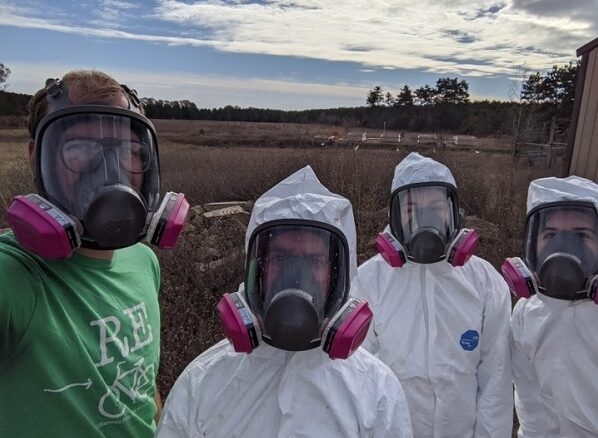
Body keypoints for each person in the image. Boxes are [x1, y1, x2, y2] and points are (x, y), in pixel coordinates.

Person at [156, 166, 413, 438]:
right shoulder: (204, 381)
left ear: (338, 272)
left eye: (314, 261)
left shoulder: (374, 391)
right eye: (280, 257)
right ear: (258, 268)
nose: (296, 275)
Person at [0, 71, 188, 437]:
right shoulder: (13, 277)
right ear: (37, 156)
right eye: (80, 148)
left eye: (127, 150)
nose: (110, 169)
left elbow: (140, 387)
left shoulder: (142, 260)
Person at [353, 152, 513, 437]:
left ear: (453, 213)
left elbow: (495, 379)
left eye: (436, 206)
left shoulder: (485, 282)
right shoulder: (369, 280)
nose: (424, 218)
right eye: (412, 208)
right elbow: (360, 378)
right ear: (395, 216)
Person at [505, 176, 598, 437]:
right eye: (551, 235)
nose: (564, 247)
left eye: (581, 235)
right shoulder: (526, 313)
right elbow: (531, 407)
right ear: (534, 243)